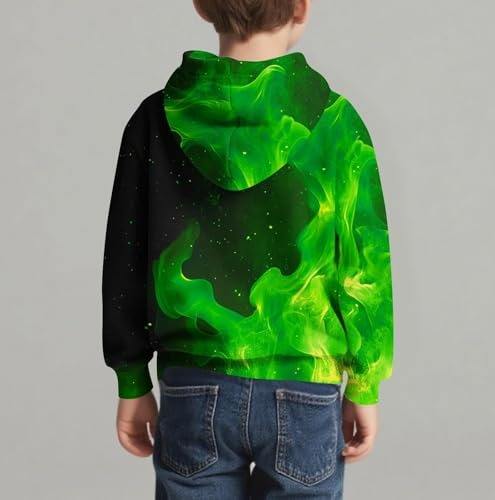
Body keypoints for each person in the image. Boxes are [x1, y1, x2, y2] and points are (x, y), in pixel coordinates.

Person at [102, 0, 394, 498]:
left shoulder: (156, 120)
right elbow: (365, 265)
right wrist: (365, 383)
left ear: (201, 5)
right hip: (306, 383)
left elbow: (126, 257)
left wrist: (132, 380)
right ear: (301, 7)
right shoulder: (336, 122)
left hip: (193, 384)